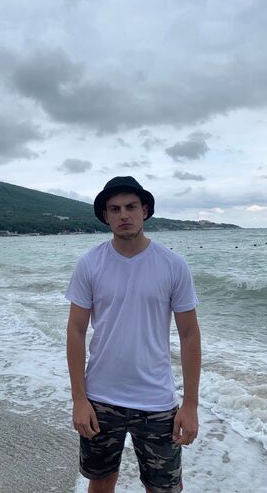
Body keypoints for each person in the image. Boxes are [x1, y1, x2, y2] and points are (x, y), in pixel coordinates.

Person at [66, 176, 201, 493]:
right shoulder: (90, 263)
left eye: (131, 207)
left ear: (145, 211)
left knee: (165, 487)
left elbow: (190, 335)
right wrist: (79, 399)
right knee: (101, 481)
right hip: (100, 400)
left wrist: (190, 405)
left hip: (156, 400)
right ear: (105, 216)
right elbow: (75, 330)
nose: (124, 215)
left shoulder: (173, 265)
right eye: (115, 209)